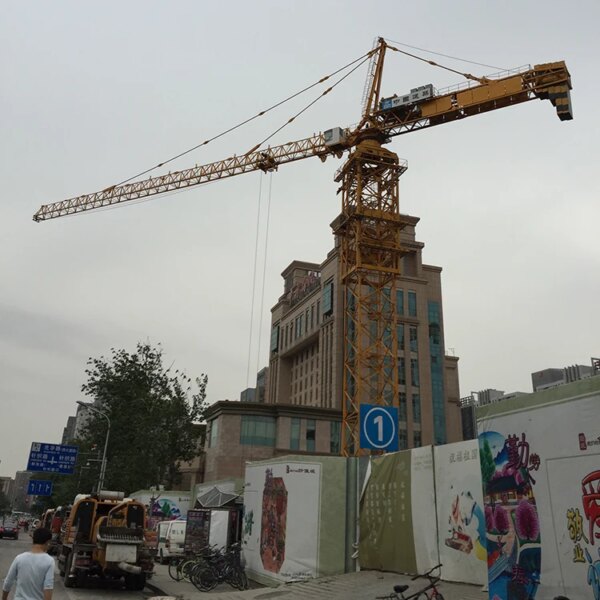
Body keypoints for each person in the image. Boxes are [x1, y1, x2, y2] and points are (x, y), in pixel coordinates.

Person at [2, 527, 54, 600]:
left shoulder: (19, 558)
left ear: (33, 539)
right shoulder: (49, 561)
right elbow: (48, 587)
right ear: (47, 542)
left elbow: (8, 582)